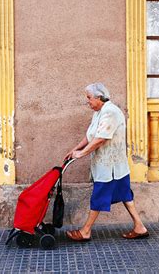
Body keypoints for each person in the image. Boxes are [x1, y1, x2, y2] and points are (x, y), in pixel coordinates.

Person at [64, 83, 149, 241]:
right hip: (112, 165)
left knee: (99, 196)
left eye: (89, 98)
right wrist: (75, 149)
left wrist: (81, 154)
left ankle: (86, 231)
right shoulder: (99, 112)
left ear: (98, 97)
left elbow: (101, 139)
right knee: (125, 196)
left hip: (110, 167)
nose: (87, 101)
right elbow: (91, 135)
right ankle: (140, 227)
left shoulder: (110, 112)